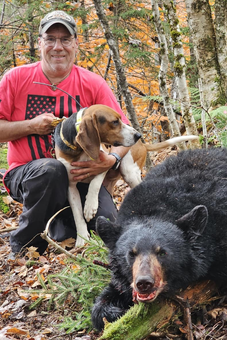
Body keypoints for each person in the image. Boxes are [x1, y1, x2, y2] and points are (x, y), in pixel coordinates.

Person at [0, 10, 131, 257]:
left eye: (65, 39)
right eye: (50, 39)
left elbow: (123, 132)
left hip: (80, 176)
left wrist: (111, 161)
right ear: (40, 43)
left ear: (75, 44)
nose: (57, 47)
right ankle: (25, 248)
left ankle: (62, 228)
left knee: (107, 227)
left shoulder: (92, 83)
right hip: (27, 174)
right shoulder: (16, 79)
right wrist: (31, 126)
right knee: (52, 169)